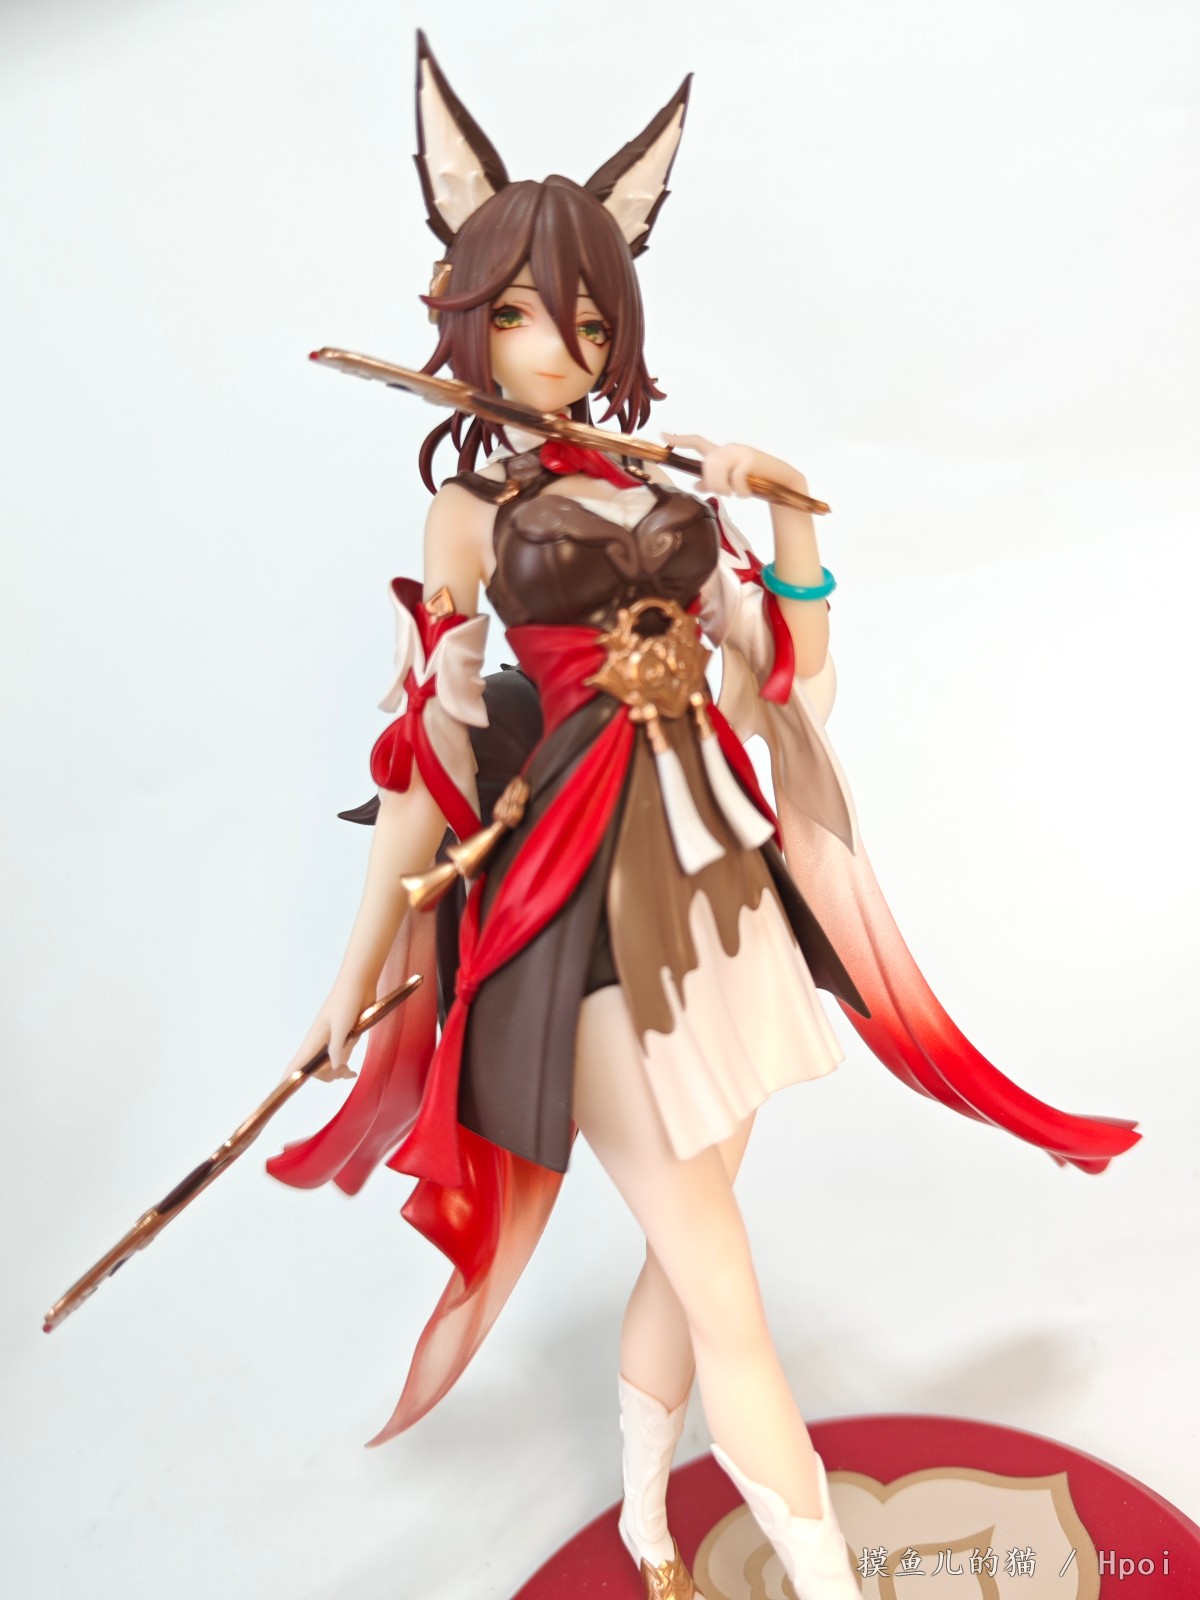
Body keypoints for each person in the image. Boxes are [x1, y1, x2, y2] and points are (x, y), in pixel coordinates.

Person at [268, 34, 1139, 1600]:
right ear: (467, 314)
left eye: (588, 319)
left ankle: (650, 1529)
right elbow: (429, 755)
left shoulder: (675, 496)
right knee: (728, 1287)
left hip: (728, 900)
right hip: (586, 921)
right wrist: (356, 975)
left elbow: (794, 681)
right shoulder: (471, 515)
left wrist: (785, 514)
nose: (558, 346)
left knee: (698, 1238)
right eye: (522, 312)